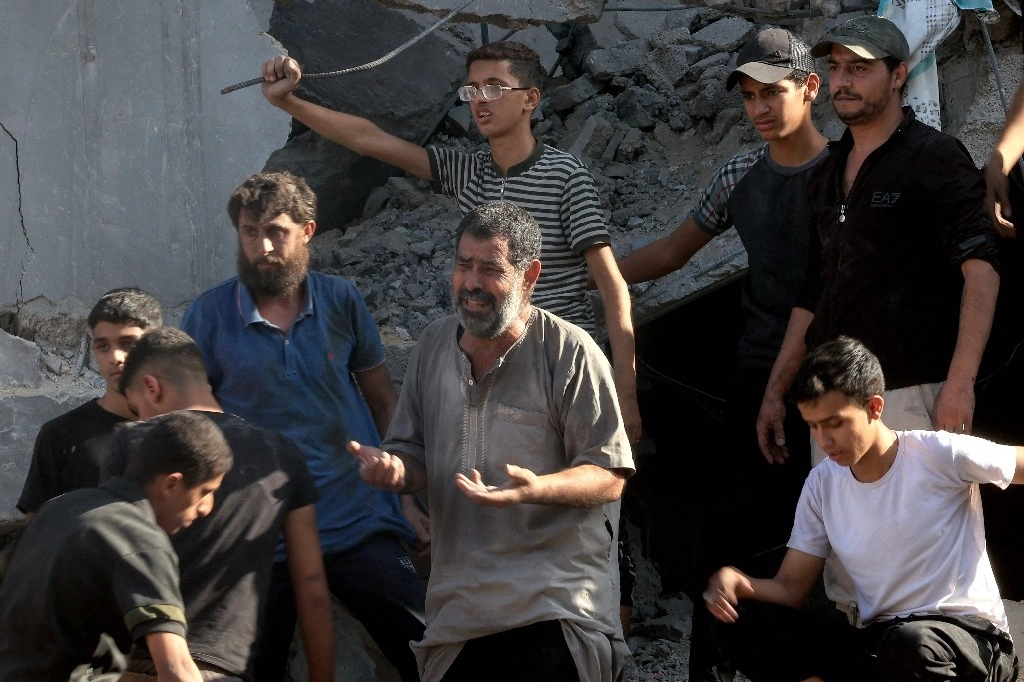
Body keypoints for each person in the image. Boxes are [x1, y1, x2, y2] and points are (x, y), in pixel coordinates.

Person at [259, 40, 641, 443]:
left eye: (494, 87)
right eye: (471, 89)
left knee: (578, 490)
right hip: (494, 368)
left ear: (530, 98)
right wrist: (288, 102)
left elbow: (612, 284)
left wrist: (626, 392)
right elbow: (370, 140)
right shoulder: (469, 172)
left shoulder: (566, 177)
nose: (479, 100)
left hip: (563, 367)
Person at [756, 15, 1002, 616]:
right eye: (834, 67)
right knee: (849, 572)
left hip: (914, 392)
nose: (842, 81)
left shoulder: (934, 158)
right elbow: (811, 293)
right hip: (836, 402)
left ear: (898, 76)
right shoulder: (828, 173)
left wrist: (960, 384)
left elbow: (983, 270)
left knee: (922, 568)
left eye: (858, 68)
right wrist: (776, 390)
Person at [613, 28, 826, 678]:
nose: (760, 108)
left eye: (773, 92)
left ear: (810, 87)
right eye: (749, 96)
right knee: (728, 531)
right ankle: (714, 666)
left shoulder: (846, 173)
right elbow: (675, 251)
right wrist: (600, 272)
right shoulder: (740, 174)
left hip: (833, 386)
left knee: (821, 539)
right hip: (756, 376)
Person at [349, 201, 635, 682]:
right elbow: (413, 452)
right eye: (463, 265)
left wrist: (537, 490)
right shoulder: (433, 348)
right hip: (459, 608)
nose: (472, 283)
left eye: (490, 269)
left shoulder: (569, 353)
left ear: (530, 276)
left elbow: (609, 474)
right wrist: (395, 471)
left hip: (554, 601)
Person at [180, 171, 425, 682]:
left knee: (431, 651)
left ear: (308, 231)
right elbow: (192, 429)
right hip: (258, 537)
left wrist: (406, 499)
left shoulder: (341, 302)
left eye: (276, 231)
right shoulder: (207, 317)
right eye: (250, 232)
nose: (262, 246)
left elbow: (383, 401)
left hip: (357, 518)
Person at [705, 336, 1021, 681]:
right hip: (884, 642)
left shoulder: (939, 454)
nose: (824, 441)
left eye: (834, 423)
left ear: (874, 407)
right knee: (741, 619)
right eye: (813, 426)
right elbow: (790, 589)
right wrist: (738, 582)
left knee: (911, 645)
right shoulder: (821, 484)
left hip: (970, 641)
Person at [103, 326, 334, 682]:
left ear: (152, 387)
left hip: (132, 665)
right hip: (223, 668)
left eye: (138, 408)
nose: (140, 420)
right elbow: (312, 584)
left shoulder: (132, 442)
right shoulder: (281, 454)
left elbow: (106, 555)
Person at [0, 410, 231, 682]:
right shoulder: (141, 542)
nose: (207, 508)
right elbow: (177, 671)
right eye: (205, 492)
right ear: (172, 484)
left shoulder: (58, 509)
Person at [17, 286, 162, 518]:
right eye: (103, 346)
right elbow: (39, 537)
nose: (115, 357)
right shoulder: (60, 437)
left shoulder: (176, 431)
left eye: (129, 343)